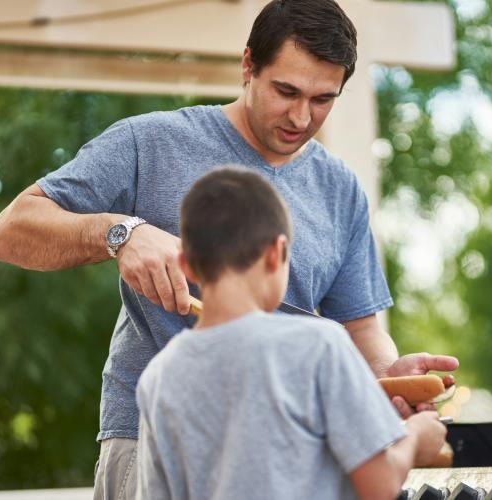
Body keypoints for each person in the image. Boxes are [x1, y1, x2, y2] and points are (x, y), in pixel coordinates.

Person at [0, 0, 458, 497]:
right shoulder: (149, 141)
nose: (301, 116)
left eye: (323, 99)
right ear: (248, 65)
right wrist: (120, 233)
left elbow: (359, 327)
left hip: (289, 451)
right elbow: (7, 233)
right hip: (155, 444)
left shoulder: (340, 187)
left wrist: (385, 378)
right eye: (286, 91)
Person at [136, 167, 447, 499]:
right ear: (277, 253)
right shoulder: (320, 345)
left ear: (185, 264)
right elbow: (379, 485)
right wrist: (416, 439)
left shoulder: (158, 375)